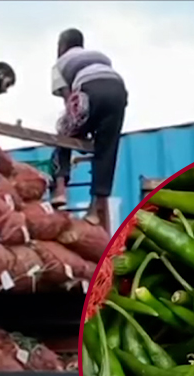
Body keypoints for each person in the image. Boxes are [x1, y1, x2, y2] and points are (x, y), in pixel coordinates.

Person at [49, 29, 128, 229]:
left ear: (62, 46)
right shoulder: (99, 57)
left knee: (63, 133)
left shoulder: (60, 64)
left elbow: (71, 101)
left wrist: (76, 131)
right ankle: (94, 210)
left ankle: (60, 189)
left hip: (89, 90)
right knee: (106, 149)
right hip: (118, 91)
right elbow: (104, 85)